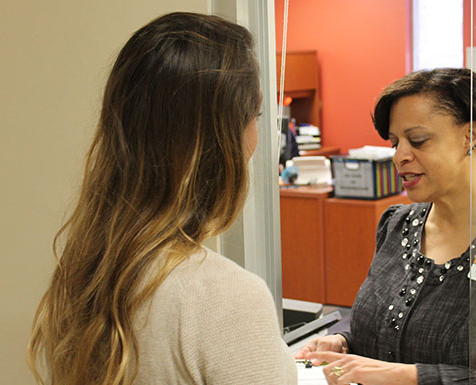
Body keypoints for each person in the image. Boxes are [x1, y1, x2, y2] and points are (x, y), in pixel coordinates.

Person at [27, 12, 296, 385]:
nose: (257, 134)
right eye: (256, 114)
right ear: (220, 143)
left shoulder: (86, 272)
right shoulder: (226, 298)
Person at [295, 68, 476, 385]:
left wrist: (413, 377)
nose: (400, 156)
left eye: (418, 140)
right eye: (395, 143)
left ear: (469, 137)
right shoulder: (398, 224)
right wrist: (346, 343)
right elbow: (398, 332)